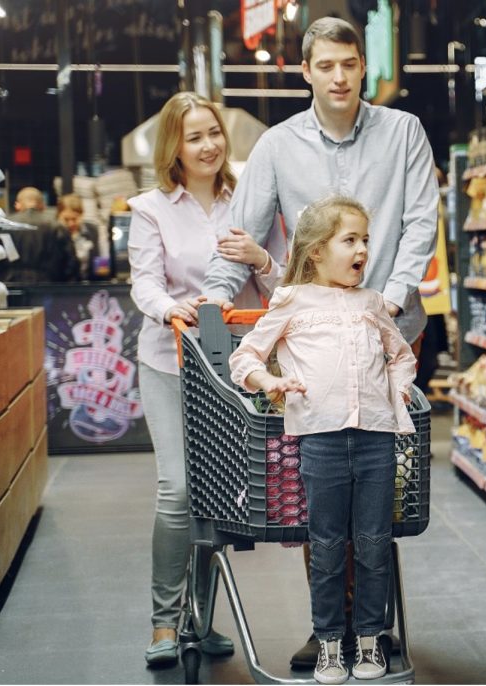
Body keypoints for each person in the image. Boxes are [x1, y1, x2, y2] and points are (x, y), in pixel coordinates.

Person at [201, 15, 438, 669]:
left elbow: (421, 219)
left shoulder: (404, 132)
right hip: (309, 340)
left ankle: (370, 626)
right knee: (320, 488)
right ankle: (330, 628)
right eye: (325, 65)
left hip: (389, 325)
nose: (339, 76)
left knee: (382, 489)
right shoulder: (278, 147)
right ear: (305, 71)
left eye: (349, 63)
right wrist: (211, 302)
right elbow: (242, 235)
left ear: (364, 67)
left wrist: (387, 297)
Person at [229, 195, 416, 685]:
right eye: (349, 240)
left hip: (377, 438)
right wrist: (269, 383)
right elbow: (245, 357)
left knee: (374, 545)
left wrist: (396, 392)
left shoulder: (372, 303)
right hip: (320, 440)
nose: (362, 250)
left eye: (365, 241)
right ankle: (331, 644)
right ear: (315, 252)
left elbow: (400, 356)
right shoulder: (292, 301)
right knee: (329, 546)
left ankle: (371, 637)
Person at [127, 91, 281, 668]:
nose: (209, 144)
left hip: (232, 369)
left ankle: (201, 619)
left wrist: (261, 258)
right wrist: (170, 306)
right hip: (170, 363)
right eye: (194, 136)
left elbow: (284, 284)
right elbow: (143, 283)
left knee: (215, 495)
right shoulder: (150, 208)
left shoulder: (251, 203)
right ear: (175, 145)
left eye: (214, 132)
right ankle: (164, 622)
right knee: (179, 489)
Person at [0, 186, 79, 282]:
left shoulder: (3, 226)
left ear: (18, 205)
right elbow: (71, 263)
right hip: (47, 287)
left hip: (10, 286)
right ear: (43, 206)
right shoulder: (56, 227)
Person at [55, 193, 97, 279]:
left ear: (82, 214)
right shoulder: (54, 233)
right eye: (66, 219)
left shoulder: (91, 230)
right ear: (59, 216)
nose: (71, 224)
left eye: (75, 219)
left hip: (89, 283)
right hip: (62, 284)